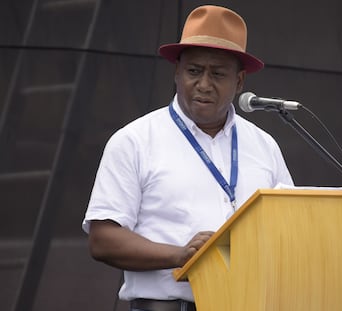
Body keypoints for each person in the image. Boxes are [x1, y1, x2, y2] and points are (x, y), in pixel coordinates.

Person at [82, 5, 294, 311]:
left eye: (218, 73)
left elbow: (288, 227)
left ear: (240, 81)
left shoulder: (264, 145)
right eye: (194, 71)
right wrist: (180, 255)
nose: (204, 84)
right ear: (177, 72)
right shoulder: (135, 141)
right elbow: (102, 240)